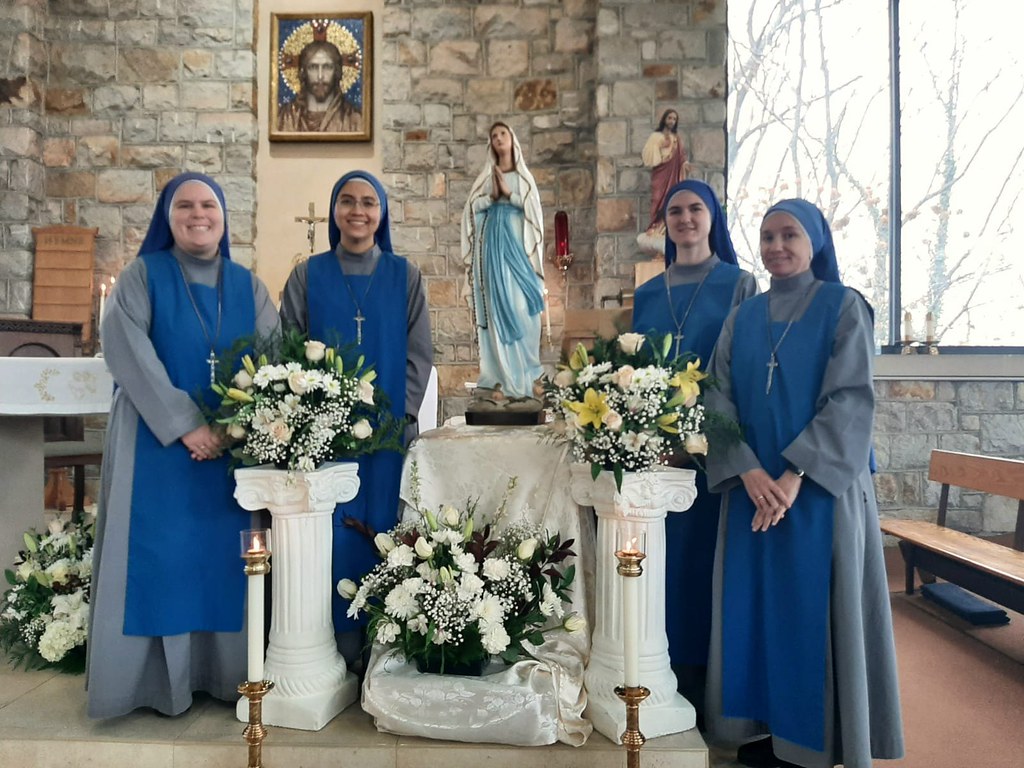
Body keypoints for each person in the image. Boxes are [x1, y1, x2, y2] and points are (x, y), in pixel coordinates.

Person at [704, 199, 904, 767]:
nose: (776, 247)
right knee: (757, 610)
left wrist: (792, 475)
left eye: (789, 235)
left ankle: (819, 742)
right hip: (754, 492)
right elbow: (716, 396)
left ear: (815, 240)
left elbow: (849, 399)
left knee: (814, 619)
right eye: (767, 237)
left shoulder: (845, 308)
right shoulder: (743, 317)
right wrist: (747, 469)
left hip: (818, 494)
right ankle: (769, 731)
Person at [86, 172, 281, 718]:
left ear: (224, 216)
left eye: (209, 205)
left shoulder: (251, 287)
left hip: (230, 452)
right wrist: (187, 424)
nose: (199, 215)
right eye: (185, 206)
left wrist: (228, 426)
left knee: (224, 562)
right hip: (157, 443)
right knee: (161, 560)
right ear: (167, 218)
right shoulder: (141, 276)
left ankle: (226, 678)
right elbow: (127, 350)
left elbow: (272, 360)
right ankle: (147, 686)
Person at [280, 170, 432, 657]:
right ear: (334, 211)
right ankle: (331, 644)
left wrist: (403, 412)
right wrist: (308, 417)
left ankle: (384, 642)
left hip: (388, 433)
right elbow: (289, 348)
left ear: (381, 213)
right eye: (347, 201)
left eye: (368, 202)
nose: (358, 211)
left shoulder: (405, 276)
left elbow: (418, 352)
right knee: (331, 533)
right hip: (327, 434)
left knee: (385, 530)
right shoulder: (307, 275)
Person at [631, 179, 758, 724]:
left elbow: (741, 374)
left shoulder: (739, 284)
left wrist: (698, 441)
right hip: (657, 456)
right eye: (675, 211)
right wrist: (652, 438)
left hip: (714, 454)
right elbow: (634, 376)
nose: (685, 218)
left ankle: (712, 691)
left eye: (695, 209)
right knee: (665, 567)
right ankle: (665, 679)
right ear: (665, 223)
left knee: (708, 567)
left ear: (713, 219)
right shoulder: (645, 292)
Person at [461, 121, 545, 399]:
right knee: (498, 311)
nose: (498, 138)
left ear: (512, 139)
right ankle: (503, 379)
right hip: (494, 250)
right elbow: (472, 210)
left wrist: (510, 195)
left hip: (519, 249)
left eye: (503, 134)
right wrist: (491, 198)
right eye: (493, 135)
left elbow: (534, 212)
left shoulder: (523, 177)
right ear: (491, 144)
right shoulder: (487, 177)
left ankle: (528, 374)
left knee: (525, 310)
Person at [277, 39, 362, 133]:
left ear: (337, 72)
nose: (320, 76)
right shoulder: (285, 117)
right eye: (313, 67)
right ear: (303, 72)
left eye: (327, 67)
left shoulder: (355, 119)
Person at [638, 109, 688, 252]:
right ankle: (655, 227)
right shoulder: (656, 136)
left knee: (671, 200)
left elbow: (681, 158)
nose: (671, 121)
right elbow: (650, 154)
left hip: (673, 176)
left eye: (674, 119)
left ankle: (666, 230)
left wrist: (685, 165)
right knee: (658, 199)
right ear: (664, 119)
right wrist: (660, 145)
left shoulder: (677, 139)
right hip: (661, 173)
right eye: (670, 118)